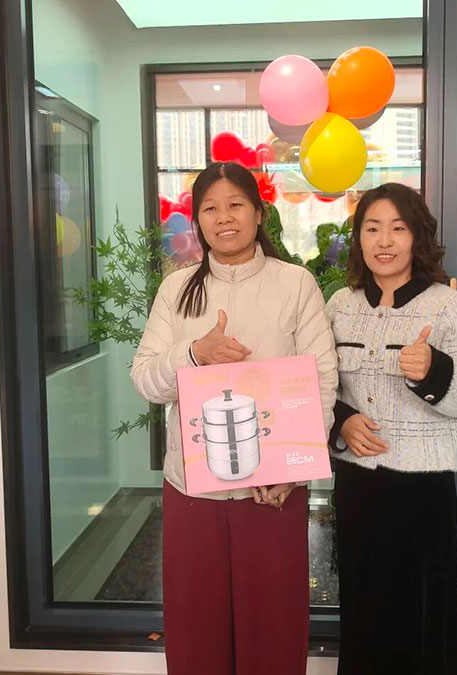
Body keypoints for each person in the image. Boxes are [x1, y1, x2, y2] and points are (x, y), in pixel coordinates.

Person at [130, 161, 338, 675]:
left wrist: (295, 470)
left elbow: (322, 382)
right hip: (193, 492)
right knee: (196, 628)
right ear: (197, 220)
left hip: (271, 493)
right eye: (210, 209)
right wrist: (193, 353)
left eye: (235, 205)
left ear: (259, 213)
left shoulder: (296, 284)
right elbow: (145, 380)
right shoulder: (176, 289)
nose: (223, 218)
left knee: (273, 627)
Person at [326, 182, 457, 674]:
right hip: (357, 487)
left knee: (421, 620)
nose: (384, 241)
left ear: (417, 236)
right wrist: (341, 422)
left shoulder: (447, 306)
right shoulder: (340, 305)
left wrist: (434, 370)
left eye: (398, 228)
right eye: (372, 228)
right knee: (363, 614)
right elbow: (316, 386)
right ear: (358, 238)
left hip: (422, 492)